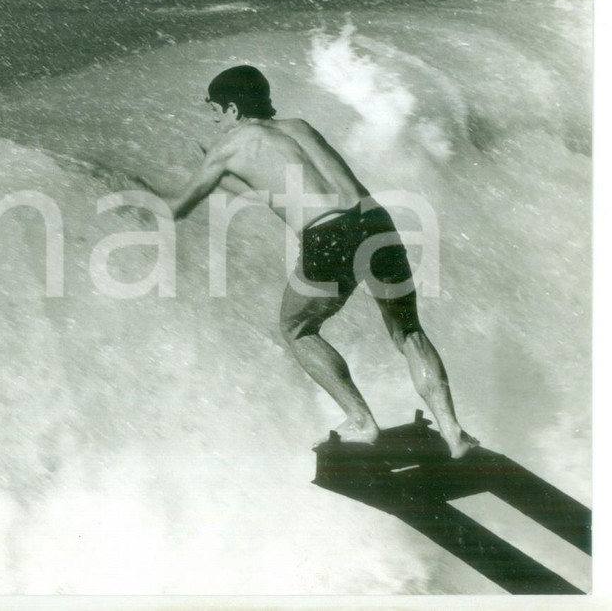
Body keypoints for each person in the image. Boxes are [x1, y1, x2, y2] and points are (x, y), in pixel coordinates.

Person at [163, 65, 478, 458]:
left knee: (297, 327)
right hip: (376, 222)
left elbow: (176, 209)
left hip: (330, 236)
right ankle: (454, 433)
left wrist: (127, 184)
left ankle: (362, 422)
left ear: (231, 107)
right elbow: (275, 194)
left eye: (214, 111)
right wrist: (221, 174)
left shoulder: (231, 146)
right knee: (408, 331)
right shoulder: (300, 128)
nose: (214, 120)